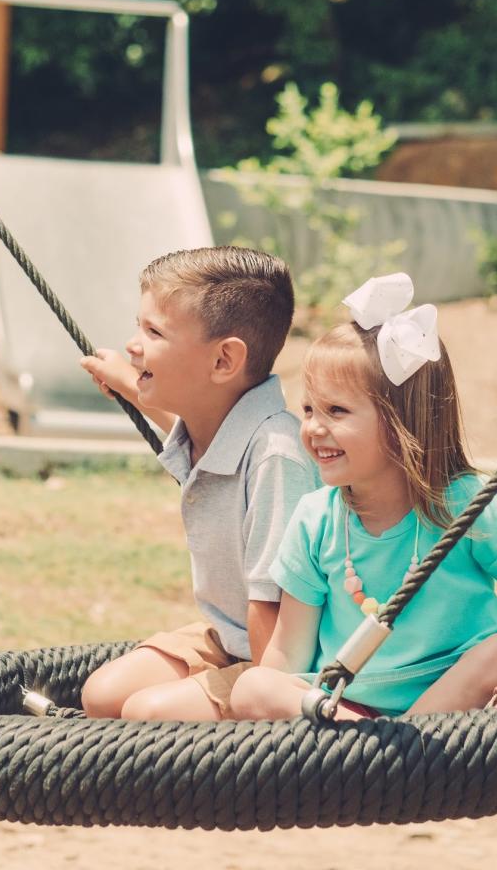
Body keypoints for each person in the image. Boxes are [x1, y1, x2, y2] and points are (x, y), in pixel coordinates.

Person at [229, 273, 497, 721]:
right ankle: (381, 753)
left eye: (335, 411)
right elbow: (288, 651)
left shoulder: (465, 504)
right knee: (253, 685)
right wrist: (268, 701)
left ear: (403, 424)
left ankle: (389, 757)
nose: (314, 428)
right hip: (351, 711)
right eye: (308, 409)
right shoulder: (315, 518)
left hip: (454, 705)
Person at [77, 246, 320, 721]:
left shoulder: (277, 457)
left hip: (284, 657)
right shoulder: (216, 426)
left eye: (154, 332)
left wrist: (267, 707)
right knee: (102, 695)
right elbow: (179, 420)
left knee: (147, 714)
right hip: (227, 635)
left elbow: (276, 606)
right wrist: (129, 382)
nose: (133, 343)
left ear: (223, 361)